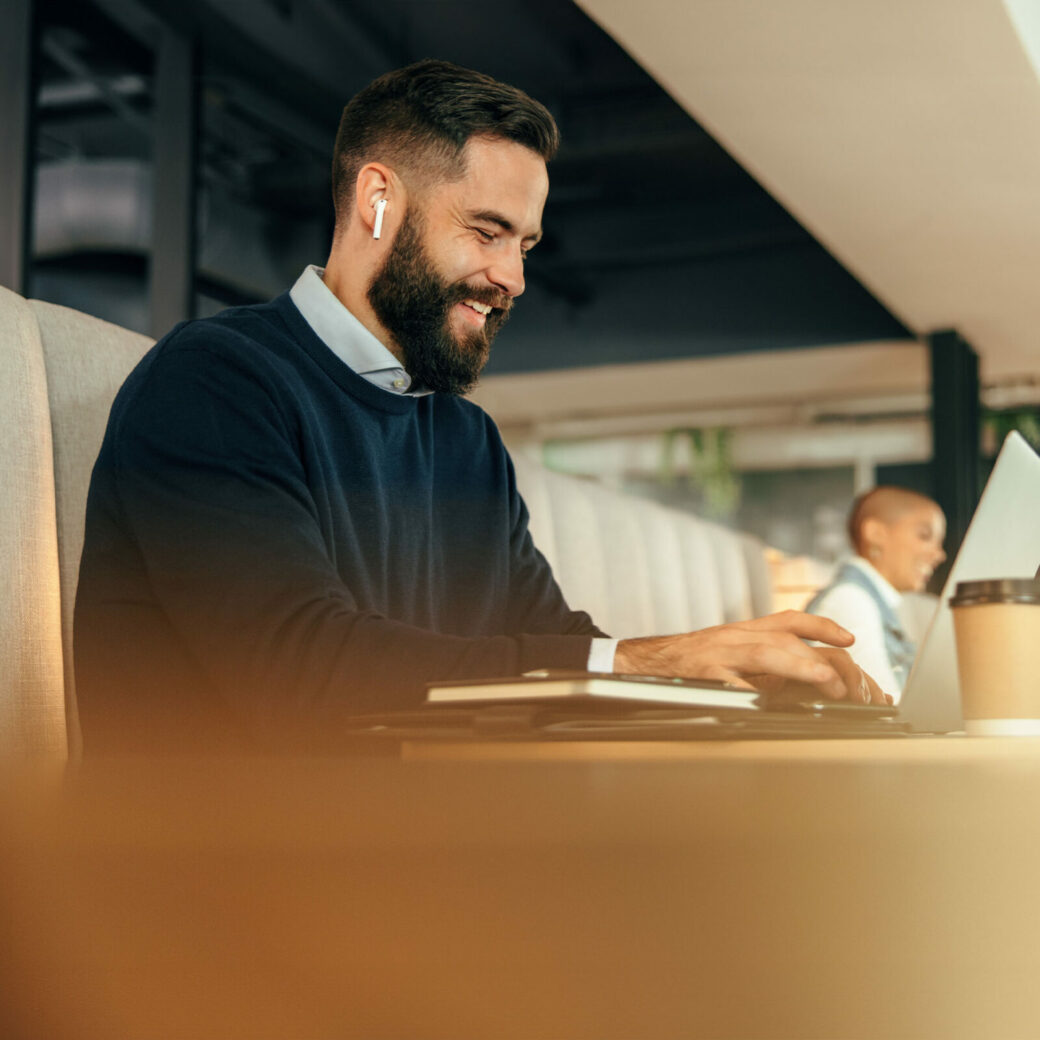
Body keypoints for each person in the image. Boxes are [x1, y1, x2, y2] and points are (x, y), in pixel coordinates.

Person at [74, 59, 884, 754]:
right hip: (204, 889)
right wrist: (646, 662)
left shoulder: (463, 438)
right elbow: (300, 671)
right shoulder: (217, 381)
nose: (513, 279)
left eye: (524, 246)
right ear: (378, 200)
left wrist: (727, 685)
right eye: (488, 231)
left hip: (409, 857)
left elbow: (556, 648)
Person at [806, 487, 947, 699]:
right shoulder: (850, 600)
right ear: (875, 533)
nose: (939, 554)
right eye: (925, 536)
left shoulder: (869, 600)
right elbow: (882, 710)